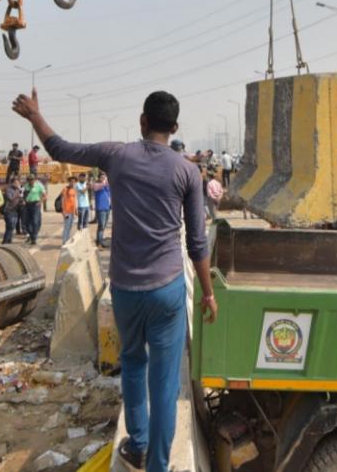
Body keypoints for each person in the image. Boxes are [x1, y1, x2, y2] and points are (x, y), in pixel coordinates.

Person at [12, 87, 215, 472]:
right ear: (173, 128)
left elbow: (58, 148)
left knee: (134, 365)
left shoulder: (116, 155)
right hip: (167, 289)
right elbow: (197, 242)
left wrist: (35, 116)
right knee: (165, 383)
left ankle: (136, 446)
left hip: (124, 287)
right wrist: (207, 293)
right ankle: (157, 465)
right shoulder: (187, 171)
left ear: (142, 122)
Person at [23, 174, 45, 245]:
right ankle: (32, 235)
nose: (30, 181)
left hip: (35, 204)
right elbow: (22, 194)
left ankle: (34, 237)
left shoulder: (39, 186)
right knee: (26, 222)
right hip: (27, 205)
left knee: (35, 221)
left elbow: (44, 195)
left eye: (32, 179)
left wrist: (40, 202)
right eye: (29, 180)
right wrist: (23, 200)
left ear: (35, 180)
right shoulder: (25, 186)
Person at [2, 178, 24, 244]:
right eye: (16, 183)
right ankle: (5, 241)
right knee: (10, 226)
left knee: (12, 226)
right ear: (12, 183)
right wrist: (17, 193)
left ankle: (9, 240)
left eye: (18, 183)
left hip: (15, 210)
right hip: (9, 210)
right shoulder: (9, 190)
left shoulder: (18, 190)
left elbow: (19, 199)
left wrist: (22, 201)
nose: (18, 184)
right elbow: (10, 199)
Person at [92, 173, 112, 247]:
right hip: (101, 209)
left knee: (104, 226)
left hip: (107, 208)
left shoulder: (107, 187)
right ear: (99, 178)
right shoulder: (96, 185)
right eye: (102, 177)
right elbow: (98, 186)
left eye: (105, 177)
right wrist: (105, 182)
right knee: (101, 226)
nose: (104, 178)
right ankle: (99, 243)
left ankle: (99, 240)